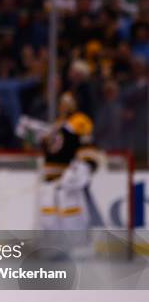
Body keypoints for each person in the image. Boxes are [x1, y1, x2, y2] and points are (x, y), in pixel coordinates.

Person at [38, 92, 100, 231]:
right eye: (62, 101)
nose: (64, 105)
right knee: (48, 214)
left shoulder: (79, 120)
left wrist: (84, 166)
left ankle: (78, 245)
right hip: (50, 178)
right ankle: (55, 246)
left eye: (69, 101)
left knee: (70, 211)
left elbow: (87, 143)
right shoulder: (57, 124)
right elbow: (51, 148)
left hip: (68, 177)